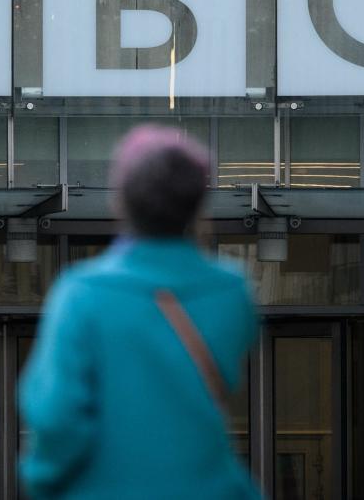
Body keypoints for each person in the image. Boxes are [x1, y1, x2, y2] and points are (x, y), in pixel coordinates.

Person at [18, 125, 261, 500]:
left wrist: (43, 480)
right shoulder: (232, 291)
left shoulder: (82, 293)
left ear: (121, 202)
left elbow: (57, 415)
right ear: (198, 206)